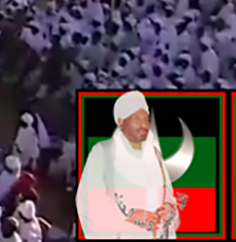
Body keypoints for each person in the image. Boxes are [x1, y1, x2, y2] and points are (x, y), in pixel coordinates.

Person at [76, 91, 178, 238]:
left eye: (146, 119)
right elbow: (88, 202)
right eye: (137, 118)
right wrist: (130, 216)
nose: (144, 124)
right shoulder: (103, 152)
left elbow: (168, 196)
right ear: (121, 122)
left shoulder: (154, 155)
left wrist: (169, 209)